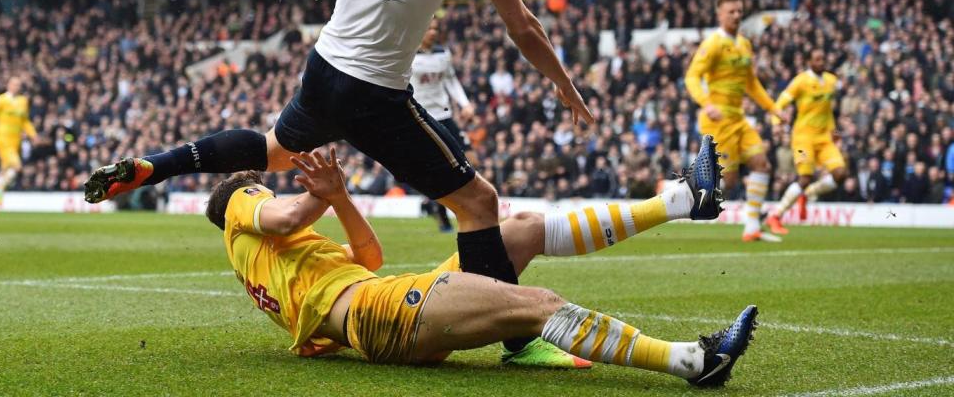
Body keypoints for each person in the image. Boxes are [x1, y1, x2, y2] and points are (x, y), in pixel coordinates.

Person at [84, 0, 593, 366]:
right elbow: (522, 27)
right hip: (375, 92)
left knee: (272, 150)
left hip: (324, 68)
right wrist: (564, 83)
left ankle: (154, 167)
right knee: (479, 203)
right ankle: (519, 341)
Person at [206, 138, 755, 387]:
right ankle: (693, 362)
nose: (269, 193)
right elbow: (282, 216)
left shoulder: (282, 260)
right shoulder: (240, 205)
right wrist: (321, 195)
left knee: (521, 229)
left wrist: (339, 198)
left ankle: (684, 201)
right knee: (538, 306)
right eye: (262, 187)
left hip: (382, 301)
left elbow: (370, 255)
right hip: (381, 315)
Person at [685, 0, 779, 243]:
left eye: (739, 11)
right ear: (720, 14)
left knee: (761, 163)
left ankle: (751, 228)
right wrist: (706, 103)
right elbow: (692, 77)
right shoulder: (713, 43)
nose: (737, 15)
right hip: (718, 120)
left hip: (739, 119)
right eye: (731, 12)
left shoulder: (744, 44)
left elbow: (751, 84)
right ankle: (678, 197)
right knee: (730, 179)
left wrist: (773, 108)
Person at [766, 48, 848, 234]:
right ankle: (775, 216)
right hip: (803, 138)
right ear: (809, 62)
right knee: (805, 178)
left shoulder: (831, 81)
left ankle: (810, 193)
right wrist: (776, 122)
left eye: (823, 59)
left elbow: (830, 111)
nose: (821, 62)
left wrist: (835, 131)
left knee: (841, 174)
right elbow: (781, 102)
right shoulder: (801, 81)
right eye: (817, 59)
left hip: (825, 138)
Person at [410, 17, 475, 232]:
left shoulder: (442, 54)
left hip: (444, 114)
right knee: (437, 168)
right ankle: (441, 212)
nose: (433, 32)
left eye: (436, 28)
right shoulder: (407, 53)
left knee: (470, 158)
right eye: (429, 28)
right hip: (421, 117)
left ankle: (440, 204)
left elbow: (451, 81)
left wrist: (465, 104)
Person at [0, 77, 39, 211]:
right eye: (14, 84)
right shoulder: (0, 100)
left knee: (6, 171)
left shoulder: (23, 101)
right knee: (17, 166)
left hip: (15, 141)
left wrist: (33, 135)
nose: (16, 86)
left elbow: (25, 121)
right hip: (2, 139)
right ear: (8, 85)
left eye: (18, 85)